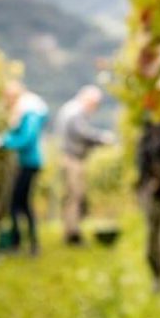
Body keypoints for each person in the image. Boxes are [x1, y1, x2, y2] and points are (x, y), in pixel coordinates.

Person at [55, 85, 114, 245]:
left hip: (70, 158)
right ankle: (72, 234)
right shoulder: (75, 112)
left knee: (72, 196)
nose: (94, 108)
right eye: (94, 104)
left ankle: (72, 230)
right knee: (75, 196)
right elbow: (82, 133)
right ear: (88, 99)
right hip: (73, 160)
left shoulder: (70, 109)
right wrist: (102, 138)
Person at [0, 80, 48, 254]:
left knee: (20, 204)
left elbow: (26, 139)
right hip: (26, 162)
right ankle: (25, 243)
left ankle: (25, 244)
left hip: (30, 162)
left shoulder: (30, 111)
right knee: (20, 203)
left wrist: (2, 142)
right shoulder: (25, 111)